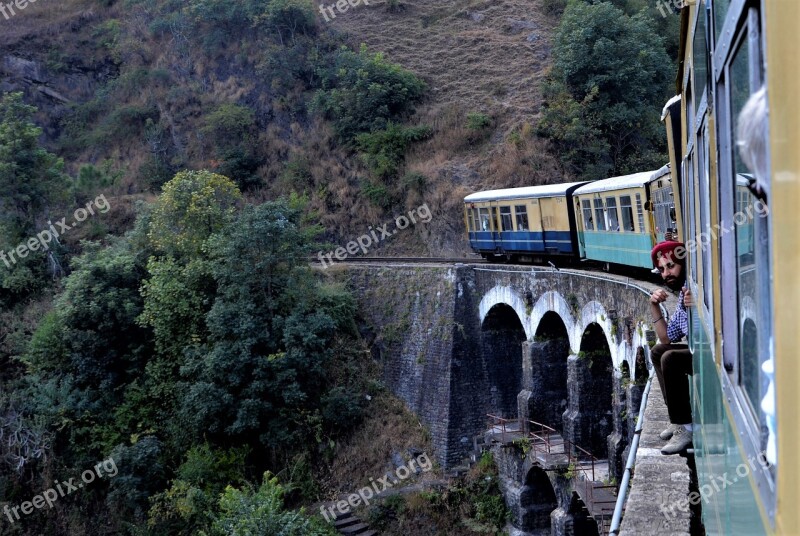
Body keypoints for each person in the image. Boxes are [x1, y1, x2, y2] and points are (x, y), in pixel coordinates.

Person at [648, 240, 694, 455]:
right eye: (662, 269)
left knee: (671, 359)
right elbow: (666, 338)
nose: (666, 273)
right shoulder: (684, 292)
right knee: (658, 351)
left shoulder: (694, 290)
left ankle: (686, 427)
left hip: (715, 353)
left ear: (683, 263)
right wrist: (653, 305)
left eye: (671, 266)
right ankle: (677, 422)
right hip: (700, 350)